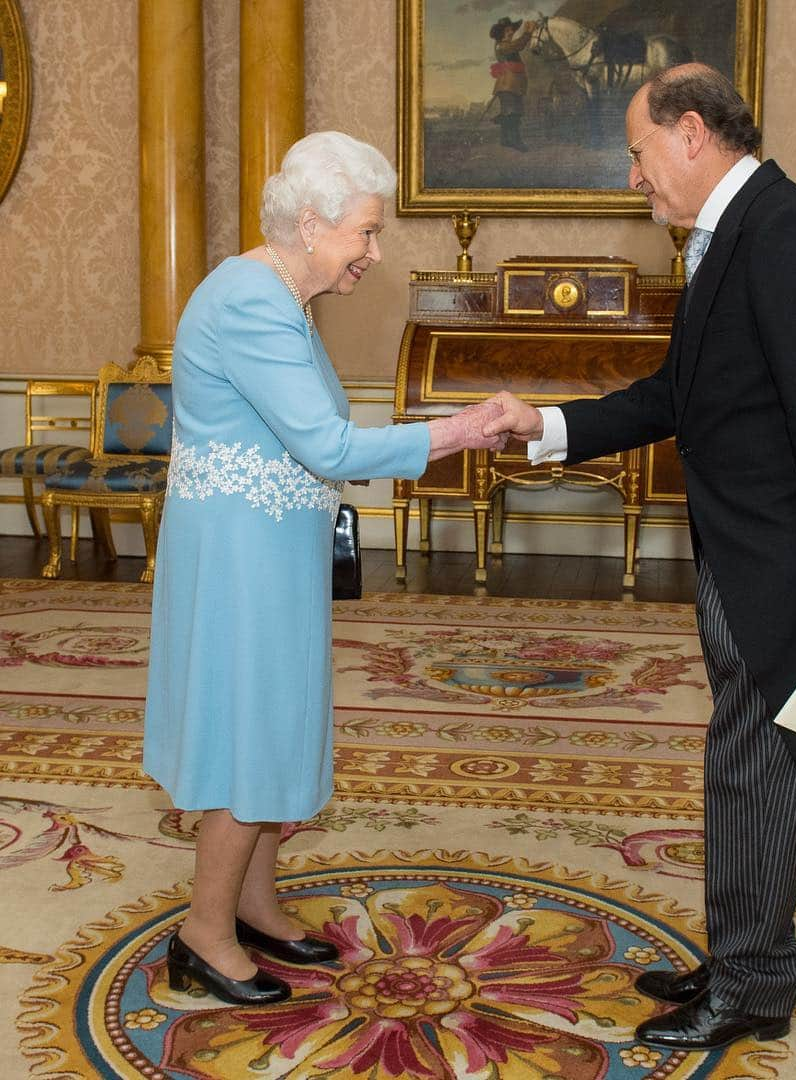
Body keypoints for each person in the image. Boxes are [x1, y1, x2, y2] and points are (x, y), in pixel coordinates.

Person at [482, 64, 796, 1054]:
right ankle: (742, 954)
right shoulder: (739, 237)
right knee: (743, 759)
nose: (634, 177)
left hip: (783, 568)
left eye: (637, 150)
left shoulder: (794, 243)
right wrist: (547, 425)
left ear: (693, 131)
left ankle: (754, 985)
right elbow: (677, 394)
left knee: (765, 768)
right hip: (744, 554)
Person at [143, 131, 504, 1007]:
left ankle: (255, 905)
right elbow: (327, 442)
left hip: (268, 547)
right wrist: (455, 429)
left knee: (274, 718)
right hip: (240, 557)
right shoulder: (251, 303)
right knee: (246, 727)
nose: (373, 256)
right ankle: (204, 933)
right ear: (310, 224)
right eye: (365, 235)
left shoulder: (275, 293)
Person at [489, 16, 535, 151]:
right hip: (507, 85)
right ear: (501, 33)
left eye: (511, 30)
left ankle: (505, 140)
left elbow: (516, 45)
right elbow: (519, 45)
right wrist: (528, 33)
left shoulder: (506, 45)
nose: (511, 32)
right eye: (507, 30)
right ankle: (516, 141)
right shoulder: (502, 46)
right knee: (512, 113)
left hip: (512, 85)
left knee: (509, 112)